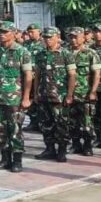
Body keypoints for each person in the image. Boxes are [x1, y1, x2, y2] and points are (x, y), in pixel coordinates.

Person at [0, 21, 32, 172]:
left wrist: (26, 97)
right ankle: (5, 159)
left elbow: (28, 75)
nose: (1, 34)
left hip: (15, 99)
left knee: (15, 129)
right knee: (1, 130)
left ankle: (17, 161)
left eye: (5, 32)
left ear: (13, 33)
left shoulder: (21, 51)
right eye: (0, 31)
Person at [33, 27, 76, 162]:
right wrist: (35, 93)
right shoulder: (40, 54)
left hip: (59, 96)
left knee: (61, 125)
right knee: (46, 125)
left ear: (58, 37)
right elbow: (38, 75)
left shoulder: (65, 54)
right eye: (45, 37)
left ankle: (62, 150)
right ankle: (49, 149)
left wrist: (69, 95)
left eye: (50, 37)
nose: (47, 40)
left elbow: (72, 76)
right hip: (44, 95)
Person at [66, 26, 101, 157]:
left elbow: (97, 74)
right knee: (71, 121)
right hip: (69, 93)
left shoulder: (90, 53)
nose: (73, 40)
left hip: (85, 93)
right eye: (71, 37)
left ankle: (87, 145)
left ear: (82, 37)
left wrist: (93, 91)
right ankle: (75, 144)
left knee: (87, 122)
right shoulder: (65, 52)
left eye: (76, 37)